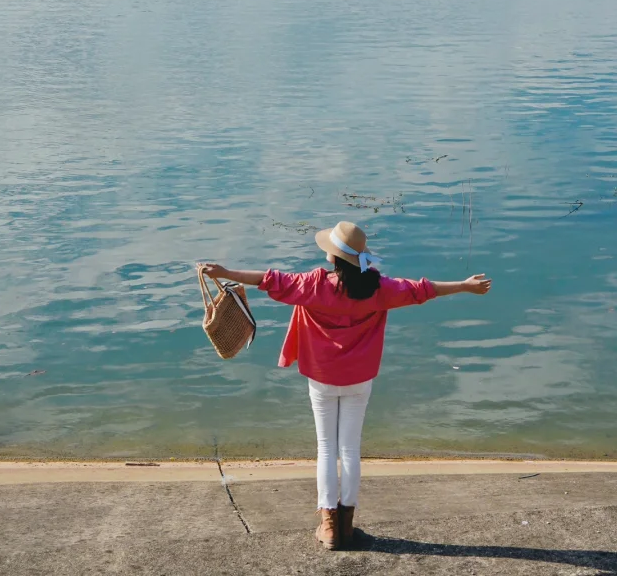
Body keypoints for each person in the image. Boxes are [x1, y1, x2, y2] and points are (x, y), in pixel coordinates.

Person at [198, 220, 491, 550]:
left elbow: (269, 280)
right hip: (359, 379)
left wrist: (225, 272)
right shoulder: (379, 289)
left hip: (322, 378)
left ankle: (329, 528)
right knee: (349, 449)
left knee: (327, 448)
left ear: (332, 258)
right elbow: (423, 290)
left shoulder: (313, 285)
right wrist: (465, 285)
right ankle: (347, 526)